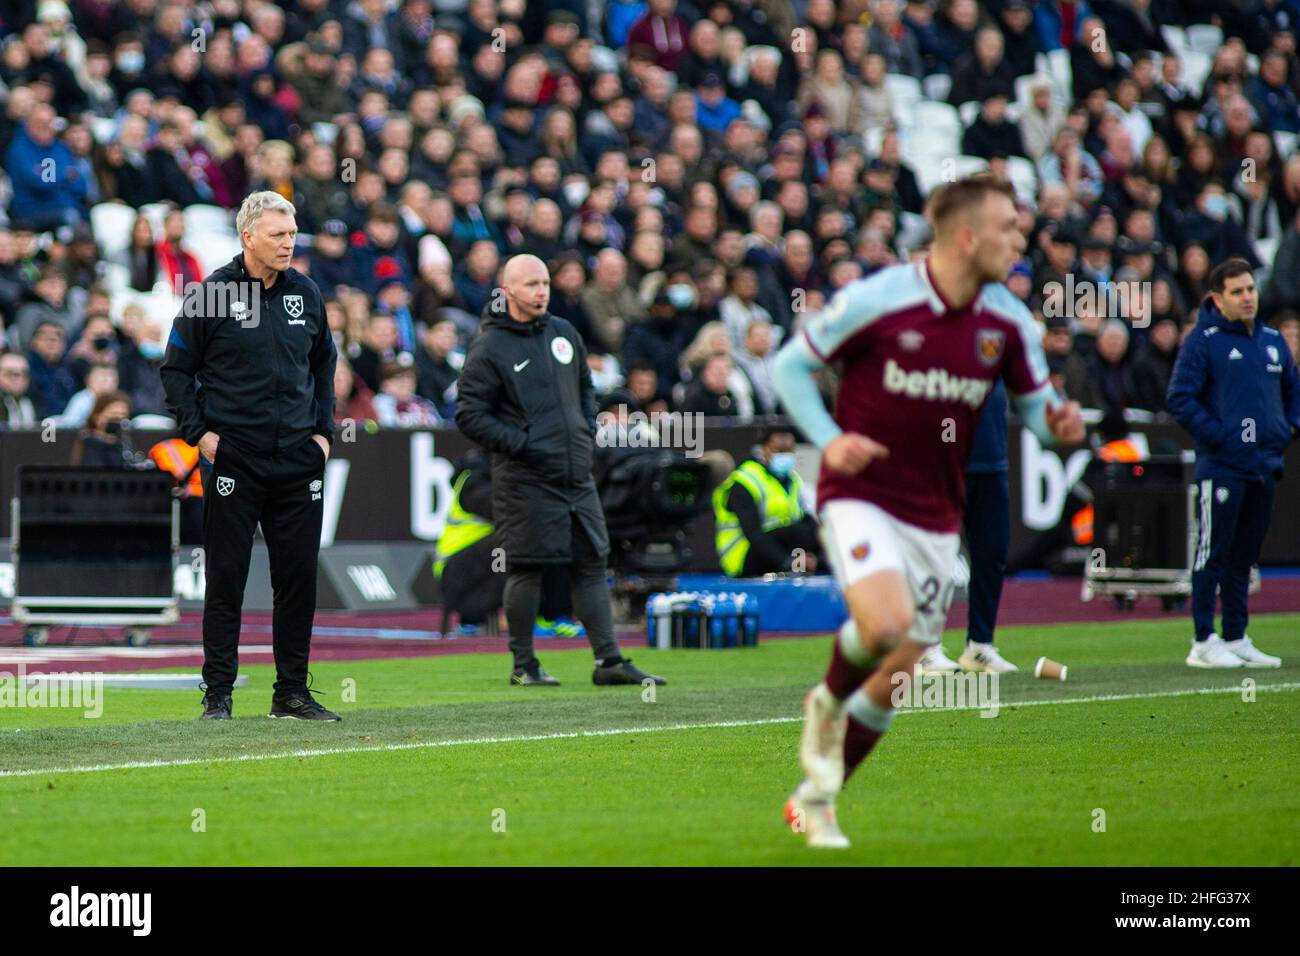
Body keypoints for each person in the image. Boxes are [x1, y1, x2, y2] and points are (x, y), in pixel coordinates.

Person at [771, 176, 1084, 848]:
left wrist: (1058, 424)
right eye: (1008, 228)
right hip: (862, 493)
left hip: (937, 516)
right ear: (967, 236)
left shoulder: (1007, 322)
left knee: (896, 681)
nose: (1019, 241)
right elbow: (789, 368)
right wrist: (830, 440)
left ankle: (817, 797)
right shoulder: (880, 297)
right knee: (882, 627)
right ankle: (827, 698)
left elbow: (1035, 412)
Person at [161, 191, 340, 721]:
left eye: (292, 235)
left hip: (298, 460)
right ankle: (218, 694)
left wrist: (324, 434)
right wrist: (201, 434)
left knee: (298, 578)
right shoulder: (211, 294)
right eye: (278, 236)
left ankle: (291, 693)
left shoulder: (305, 292)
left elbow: (325, 366)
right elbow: (174, 369)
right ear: (248, 237)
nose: (288, 244)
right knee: (227, 578)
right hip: (234, 459)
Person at [455, 254, 664, 688]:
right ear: (508, 290)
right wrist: (524, 445)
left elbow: (586, 390)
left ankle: (608, 661)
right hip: (525, 478)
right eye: (531, 284)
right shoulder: (490, 347)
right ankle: (524, 665)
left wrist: (585, 430)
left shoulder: (564, 333)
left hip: (576, 473)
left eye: (545, 282)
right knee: (528, 567)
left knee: (591, 562)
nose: (542, 291)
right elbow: (469, 415)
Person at [1167, 258, 1296, 669]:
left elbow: (1294, 391)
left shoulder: (1273, 341)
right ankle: (1203, 638)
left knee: (1245, 556)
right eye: (1237, 291)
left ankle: (1237, 634)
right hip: (1222, 466)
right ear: (1217, 299)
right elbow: (1180, 398)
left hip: (1264, 463)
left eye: (1251, 289)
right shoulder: (1203, 340)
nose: (1247, 298)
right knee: (1212, 553)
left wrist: (1286, 428)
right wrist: (1220, 435)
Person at [713, 425, 823, 577]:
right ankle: (795, 565)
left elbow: (805, 519)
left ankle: (819, 564)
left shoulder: (793, 480)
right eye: (779, 450)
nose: (784, 456)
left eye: (789, 451)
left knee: (816, 530)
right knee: (795, 532)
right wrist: (788, 562)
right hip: (742, 556)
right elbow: (754, 534)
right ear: (764, 450)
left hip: (781, 549)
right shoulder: (745, 480)